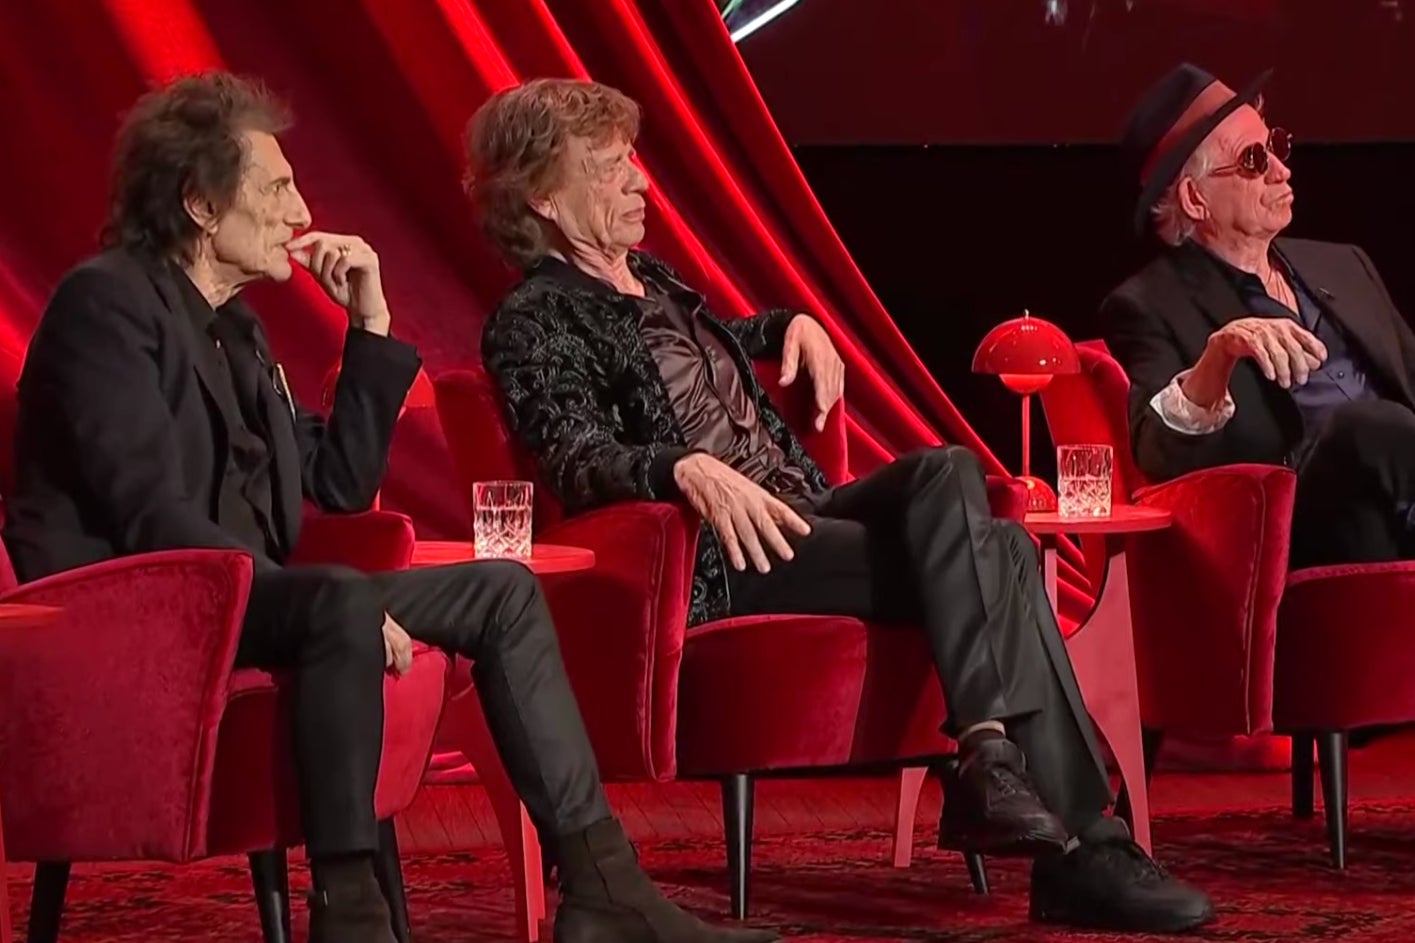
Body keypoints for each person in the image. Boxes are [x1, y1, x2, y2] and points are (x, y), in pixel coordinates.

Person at [4, 72, 780, 943]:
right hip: (137, 609)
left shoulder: (238, 328)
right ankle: (353, 915)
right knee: (334, 597)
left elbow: (334, 484)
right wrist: (325, 601)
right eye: (276, 187)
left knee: (500, 590)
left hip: (250, 597)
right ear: (198, 202)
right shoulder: (104, 304)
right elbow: (149, 514)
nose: (300, 211)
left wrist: (369, 325)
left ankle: (603, 887)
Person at [470, 77, 1214, 934]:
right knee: (1005, 556)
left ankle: (993, 761)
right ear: (544, 198)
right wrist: (685, 470)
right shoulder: (531, 319)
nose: (641, 181)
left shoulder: (647, 278)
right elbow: (574, 452)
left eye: (632, 161)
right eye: (610, 168)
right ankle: (1079, 841)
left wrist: (794, 323)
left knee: (944, 472)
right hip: (726, 553)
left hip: (804, 513)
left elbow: (714, 351)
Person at [1104, 63, 1415, 569]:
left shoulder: (1344, 263)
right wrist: (1218, 355)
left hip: (1400, 521)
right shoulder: (1147, 305)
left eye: (1276, 145)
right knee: (1368, 427)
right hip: (1300, 541)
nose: (1281, 169)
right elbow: (1156, 451)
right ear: (1194, 198)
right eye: (1254, 159)